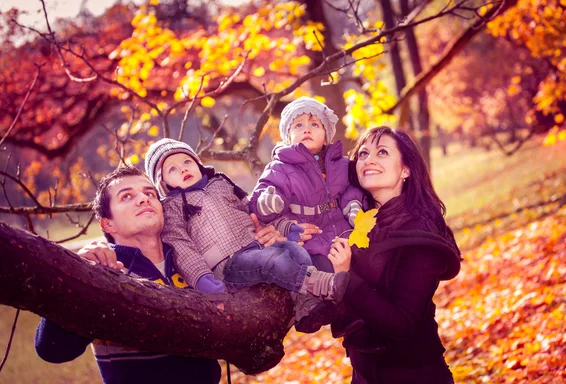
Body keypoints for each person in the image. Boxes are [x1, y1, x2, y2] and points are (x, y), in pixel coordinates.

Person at [34, 166, 222, 384]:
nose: (143, 199)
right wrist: (77, 281)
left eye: (150, 193)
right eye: (127, 196)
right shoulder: (104, 272)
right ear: (107, 223)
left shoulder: (192, 262)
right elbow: (53, 350)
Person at [143, 138, 350, 319]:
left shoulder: (221, 183)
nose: (183, 169)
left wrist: (286, 228)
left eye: (187, 161)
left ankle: (307, 307)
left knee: (294, 251)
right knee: (271, 261)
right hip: (228, 264)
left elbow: (254, 212)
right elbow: (181, 247)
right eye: (172, 169)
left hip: (256, 245)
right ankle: (322, 284)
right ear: (163, 183)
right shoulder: (172, 207)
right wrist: (201, 278)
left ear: (198, 163)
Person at [328, 126, 461, 384]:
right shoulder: (354, 224)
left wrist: (346, 277)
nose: (369, 160)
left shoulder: (419, 234)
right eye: (363, 153)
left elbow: (402, 323)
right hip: (364, 374)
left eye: (382, 152)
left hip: (413, 375)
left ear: (405, 170)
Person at [249, 96, 364, 273]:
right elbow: (267, 189)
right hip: (309, 240)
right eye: (298, 125)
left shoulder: (342, 164)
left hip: (344, 233)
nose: (307, 130)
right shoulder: (280, 168)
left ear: (326, 136)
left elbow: (351, 188)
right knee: (322, 270)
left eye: (315, 125)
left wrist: (353, 204)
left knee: (362, 263)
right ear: (288, 137)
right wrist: (268, 201)